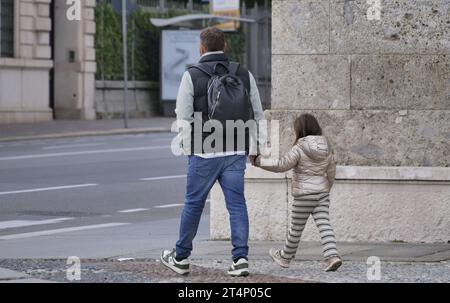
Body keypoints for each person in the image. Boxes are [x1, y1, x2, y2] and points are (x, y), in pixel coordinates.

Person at [160, 27, 265, 277]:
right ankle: (240, 259)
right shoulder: (243, 73)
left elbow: (183, 116)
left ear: (201, 48)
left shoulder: (192, 75)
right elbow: (258, 113)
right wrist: (257, 147)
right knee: (237, 205)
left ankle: (181, 257)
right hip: (236, 149)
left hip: (203, 150)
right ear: (225, 46)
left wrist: (188, 148)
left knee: (193, 205)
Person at [254, 114, 342, 272]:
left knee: (296, 228)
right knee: (325, 225)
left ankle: (285, 257)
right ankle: (332, 256)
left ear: (300, 130)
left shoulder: (300, 147)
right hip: (322, 193)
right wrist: (326, 188)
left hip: (303, 195)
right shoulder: (328, 146)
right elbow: (331, 171)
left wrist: (259, 161)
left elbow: (281, 164)